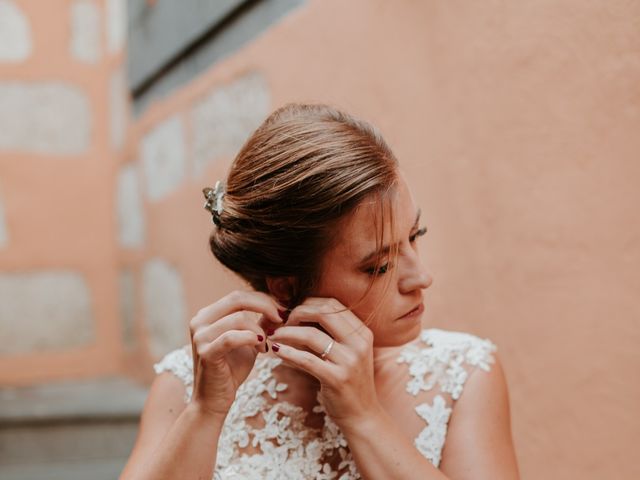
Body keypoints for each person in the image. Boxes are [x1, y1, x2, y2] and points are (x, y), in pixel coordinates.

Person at [120, 103, 520, 480]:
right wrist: (206, 413)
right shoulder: (185, 383)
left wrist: (364, 417)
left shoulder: (463, 373)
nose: (421, 277)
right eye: (378, 266)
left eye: (415, 236)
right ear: (287, 285)